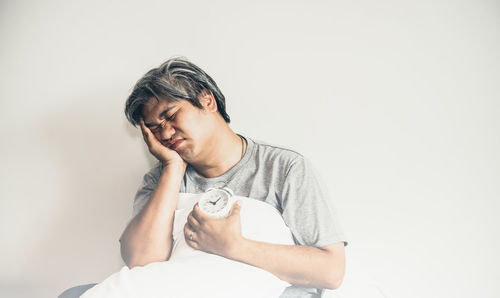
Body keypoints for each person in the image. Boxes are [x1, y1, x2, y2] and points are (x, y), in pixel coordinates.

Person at [119, 57, 347, 298]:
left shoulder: (284, 168)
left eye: (171, 115)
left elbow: (331, 271)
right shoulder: (160, 180)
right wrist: (173, 167)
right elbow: (140, 262)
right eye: (154, 128)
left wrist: (234, 246)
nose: (165, 133)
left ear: (207, 101)